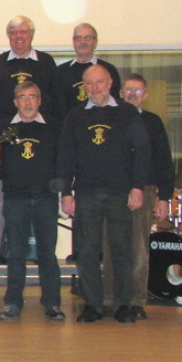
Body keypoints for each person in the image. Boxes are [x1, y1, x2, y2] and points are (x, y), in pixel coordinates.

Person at [57, 64, 150, 324]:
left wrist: (137, 187)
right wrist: (66, 192)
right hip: (86, 194)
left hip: (120, 193)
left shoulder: (127, 112)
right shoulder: (75, 116)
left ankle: (123, 304)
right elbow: (65, 155)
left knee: (121, 250)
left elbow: (142, 151)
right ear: (84, 86)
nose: (95, 88)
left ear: (110, 83)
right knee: (87, 252)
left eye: (99, 82)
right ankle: (93, 305)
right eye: (89, 83)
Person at [102, 73, 174, 320]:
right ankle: (110, 298)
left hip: (145, 188)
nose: (132, 94)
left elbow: (164, 160)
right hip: (113, 190)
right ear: (120, 93)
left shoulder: (153, 122)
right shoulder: (109, 119)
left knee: (138, 246)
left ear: (146, 95)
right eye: (128, 90)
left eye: (138, 90)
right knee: (110, 244)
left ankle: (135, 300)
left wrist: (164, 196)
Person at [0, 82, 64, 321]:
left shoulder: (54, 127)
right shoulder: (2, 128)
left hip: (46, 197)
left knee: (47, 253)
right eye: (23, 97)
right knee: (16, 253)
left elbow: (63, 160)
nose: (28, 102)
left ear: (40, 100)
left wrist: (63, 190)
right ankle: (13, 303)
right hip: (15, 198)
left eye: (33, 96)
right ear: (15, 102)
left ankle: (52, 303)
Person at [0, 16, 57, 126]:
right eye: (13, 32)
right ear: (9, 36)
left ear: (31, 34)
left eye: (23, 32)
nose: (18, 36)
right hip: (4, 128)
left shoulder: (46, 61)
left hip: (40, 128)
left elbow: (55, 98)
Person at [53, 23, 122, 120]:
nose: (83, 42)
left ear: (95, 42)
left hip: (102, 124)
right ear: (73, 42)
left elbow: (116, 103)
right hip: (70, 126)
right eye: (78, 38)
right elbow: (56, 107)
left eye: (88, 38)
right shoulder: (60, 72)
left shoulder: (109, 70)